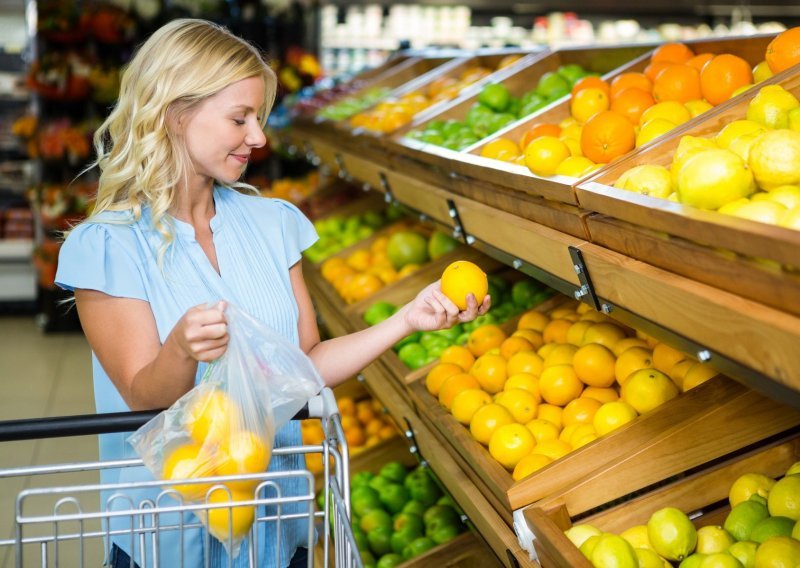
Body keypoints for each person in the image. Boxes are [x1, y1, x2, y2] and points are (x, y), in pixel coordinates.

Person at [55, 18, 490, 568]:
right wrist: (181, 351)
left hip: (277, 531)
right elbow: (144, 401)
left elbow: (305, 365)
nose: (258, 137)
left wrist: (406, 318)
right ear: (174, 113)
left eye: (258, 119)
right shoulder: (107, 247)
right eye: (240, 118)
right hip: (167, 540)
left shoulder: (272, 223)